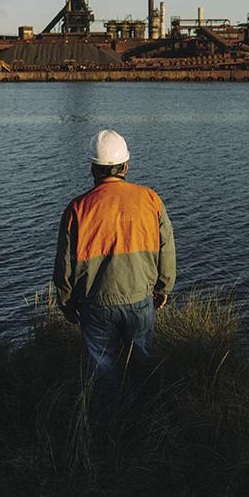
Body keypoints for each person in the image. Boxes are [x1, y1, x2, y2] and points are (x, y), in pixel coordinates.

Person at [53, 129, 176, 435]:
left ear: (93, 167)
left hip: (95, 306)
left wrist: (66, 302)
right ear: (125, 166)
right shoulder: (151, 200)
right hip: (140, 301)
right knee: (143, 368)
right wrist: (163, 288)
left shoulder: (77, 209)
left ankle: (107, 437)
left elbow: (64, 265)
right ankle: (147, 430)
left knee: (103, 374)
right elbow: (167, 250)